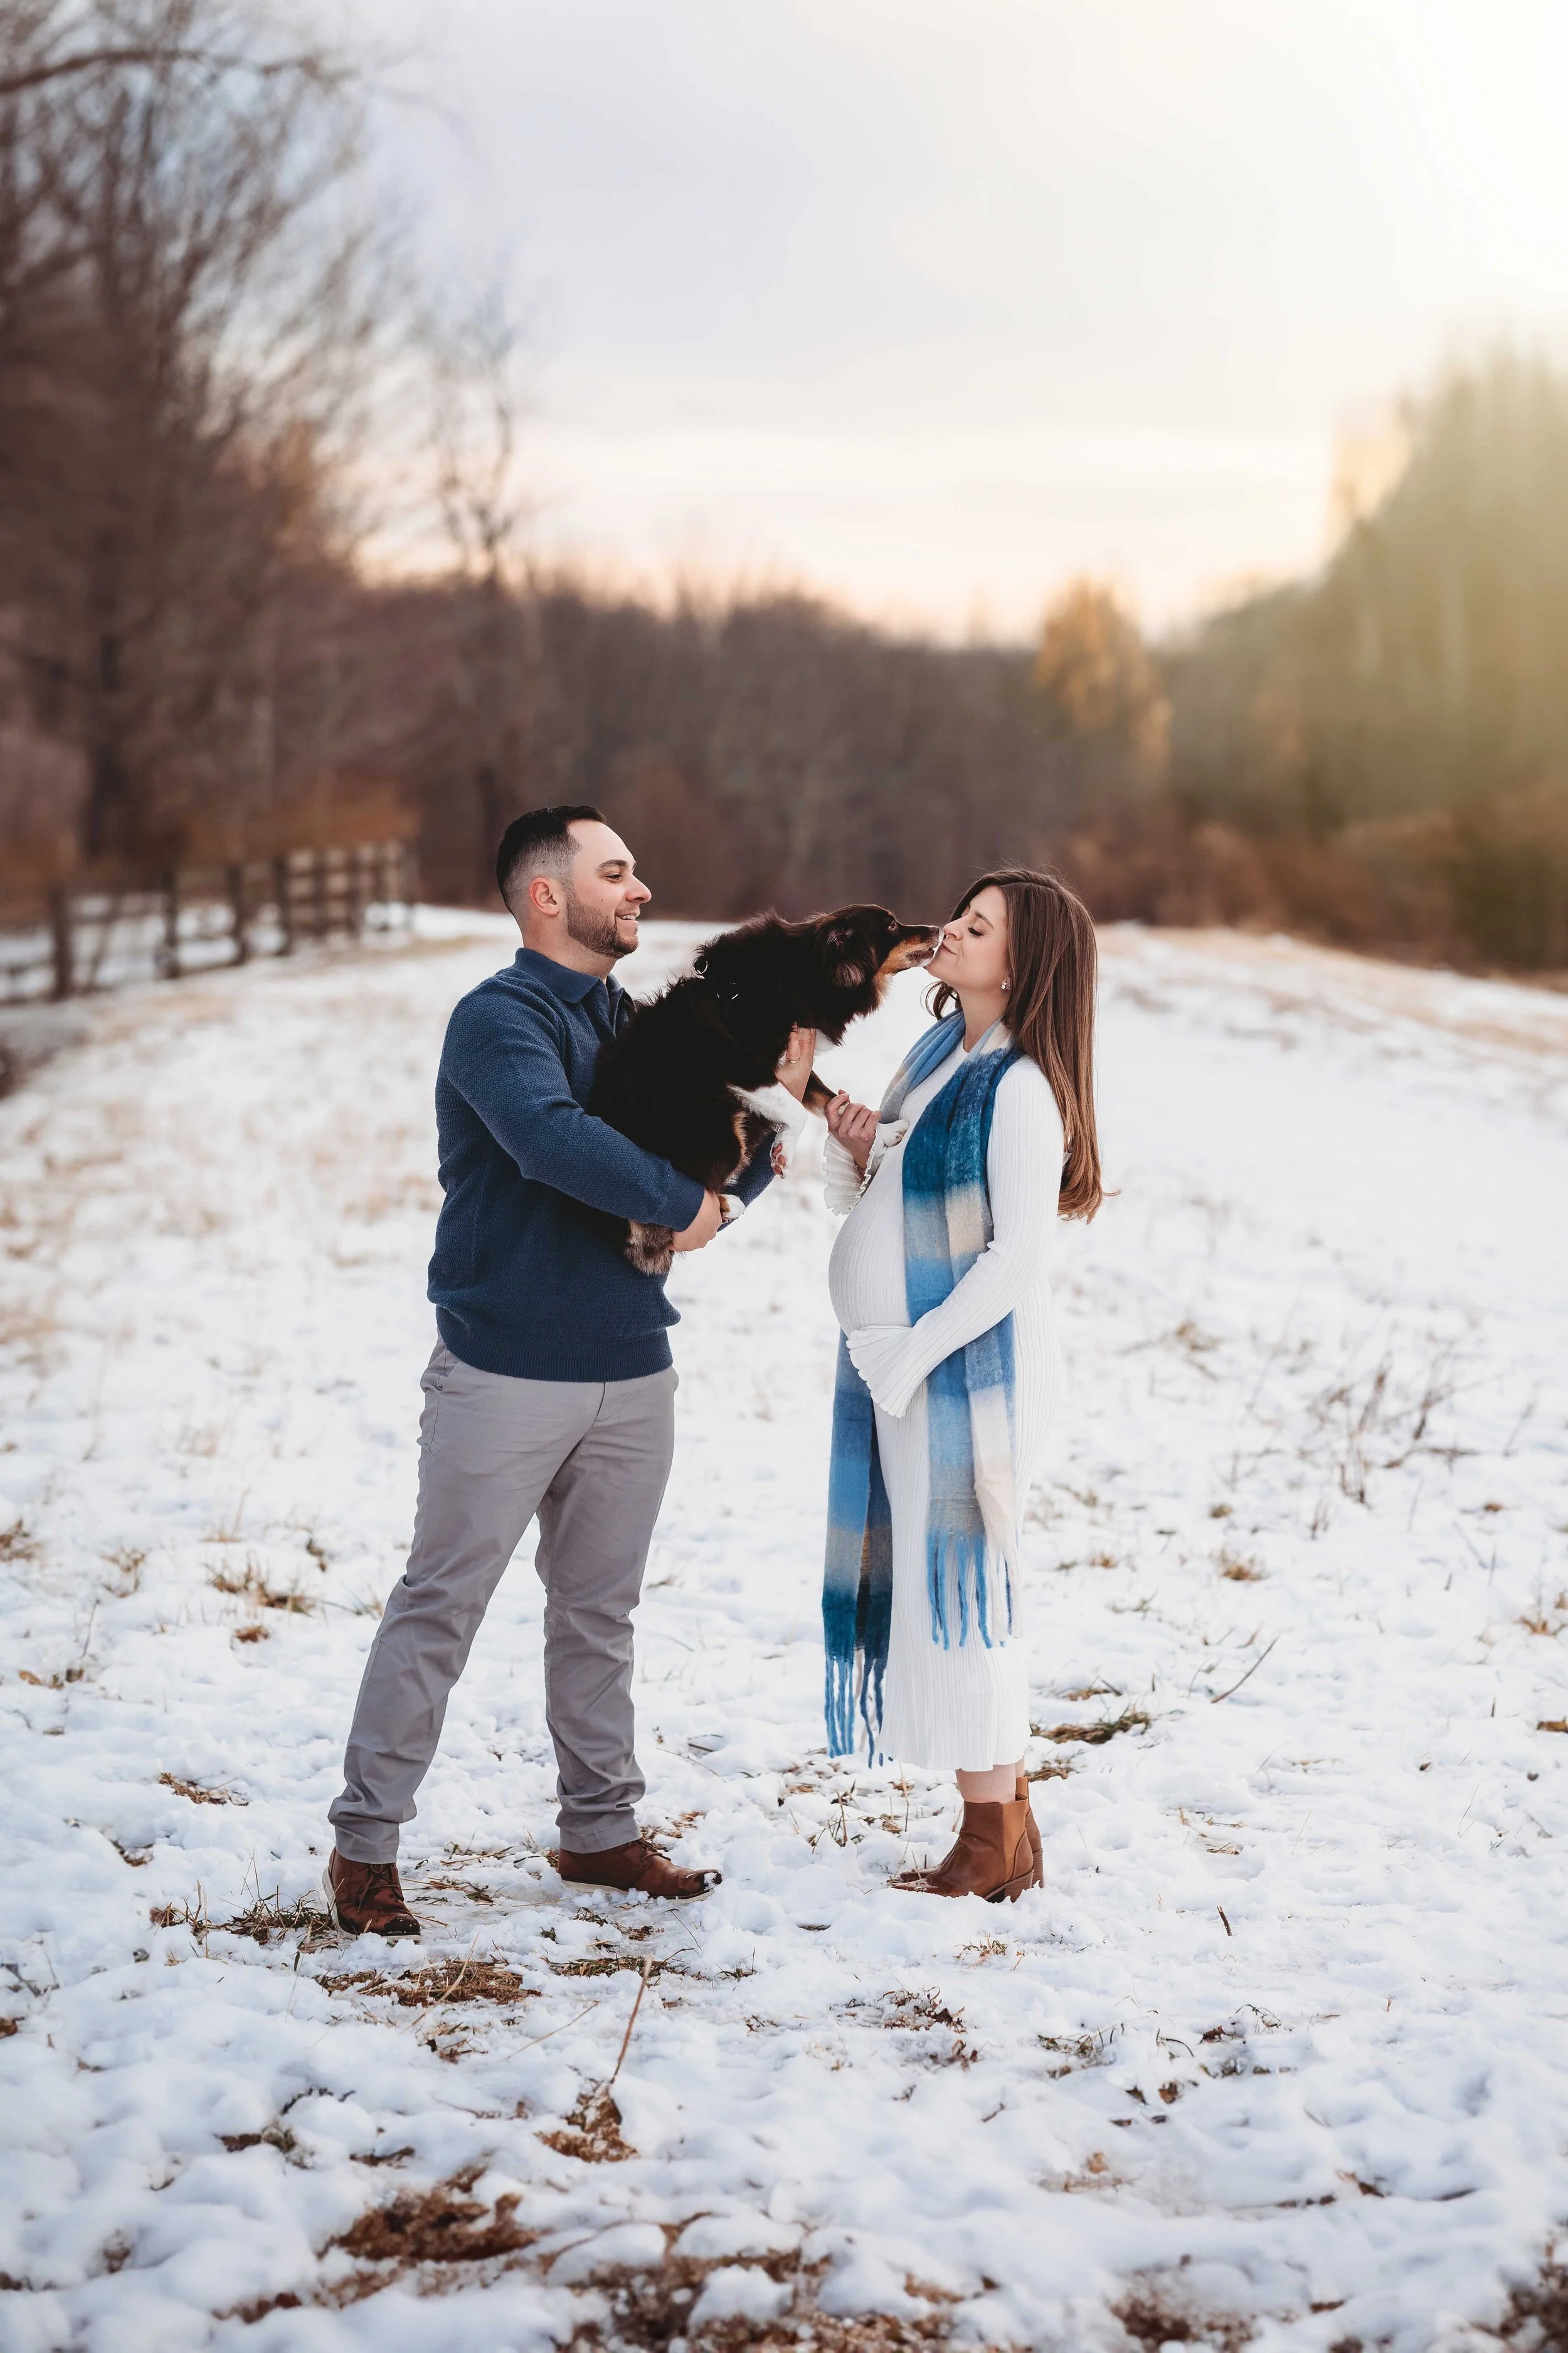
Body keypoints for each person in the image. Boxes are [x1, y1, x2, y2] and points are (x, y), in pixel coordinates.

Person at [320, 805, 814, 1938]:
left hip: (636, 1369)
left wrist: (732, 1195)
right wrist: (689, 1202)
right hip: (503, 1369)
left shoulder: (642, 1024)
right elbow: (549, 1140)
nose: (641, 890)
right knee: (441, 1603)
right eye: (618, 872)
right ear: (550, 895)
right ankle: (366, 1847)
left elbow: (733, 1147)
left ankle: (599, 1831)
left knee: (600, 1612)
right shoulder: (497, 1022)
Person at [820, 867, 1103, 1903]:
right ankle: (1005, 1829)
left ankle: (990, 1842)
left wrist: (916, 1347)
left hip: (966, 1376)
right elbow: (897, 1197)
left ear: (1021, 966)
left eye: (978, 926)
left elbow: (1015, 1257)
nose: (950, 929)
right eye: (962, 912)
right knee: (950, 1593)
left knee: (967, 1597)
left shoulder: (1021, 1086)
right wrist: (859, 1155)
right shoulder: (943, 1053)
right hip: (914, 1370)